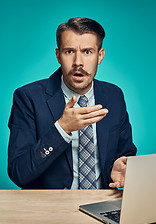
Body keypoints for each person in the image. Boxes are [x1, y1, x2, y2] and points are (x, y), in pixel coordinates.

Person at [8, 17, 137, 189]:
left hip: (101, 203)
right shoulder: (28, 98)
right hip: (51, 210)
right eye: (69, 51)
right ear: (58, 55)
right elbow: (19, 173)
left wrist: (118, 169)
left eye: (87, 52)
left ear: (100, 56)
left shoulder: (114, 95)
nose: (78, 62)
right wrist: (61, 129)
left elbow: (125, 153)